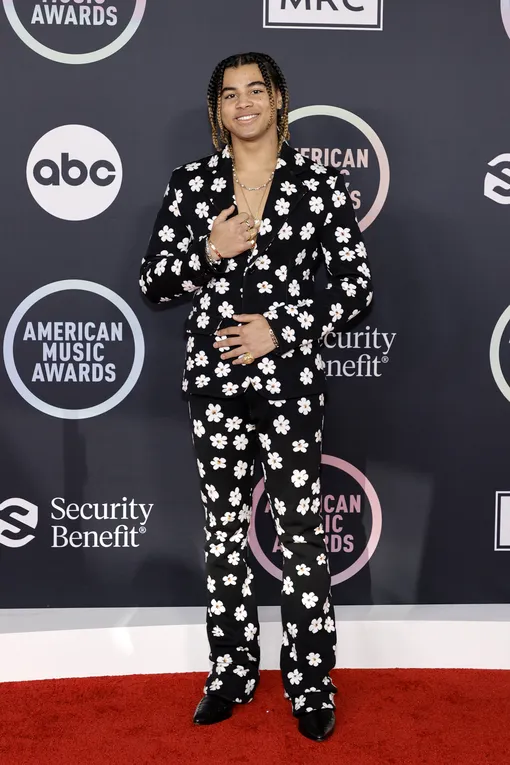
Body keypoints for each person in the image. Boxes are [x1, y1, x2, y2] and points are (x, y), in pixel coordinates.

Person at [139, 51, 373, 742]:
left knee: (301, 535)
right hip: (214, 388)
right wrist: (207, 250)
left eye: (256, 89)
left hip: (290, 386)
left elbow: (355, 288)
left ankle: (308, 678)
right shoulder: (191, 187)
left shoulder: (320, 186)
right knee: (223, 535)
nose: (244, 102)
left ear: (279, 99)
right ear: (217, 110)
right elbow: (153, 282)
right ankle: (232, 671)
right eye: (229, 93)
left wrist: (282, 327)